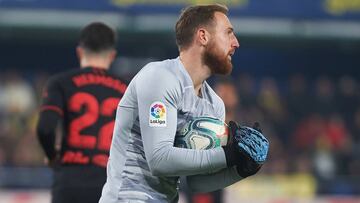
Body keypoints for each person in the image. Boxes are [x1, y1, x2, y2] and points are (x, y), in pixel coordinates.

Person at [100, 4, 268, 203]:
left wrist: (241, 168)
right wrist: (227, 156)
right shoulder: (160, 77)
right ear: (203, 36)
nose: (236, 43)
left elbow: (197, 183)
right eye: (228, 33)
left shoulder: (213, 104)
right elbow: (159, 160)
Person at [36, 22, 127, 203]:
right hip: (111, 183)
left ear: (79, 52)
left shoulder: (60, 83)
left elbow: (45, 129)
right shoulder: (127, 89)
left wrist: (52, 157)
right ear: (112, 55)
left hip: (70, 182)